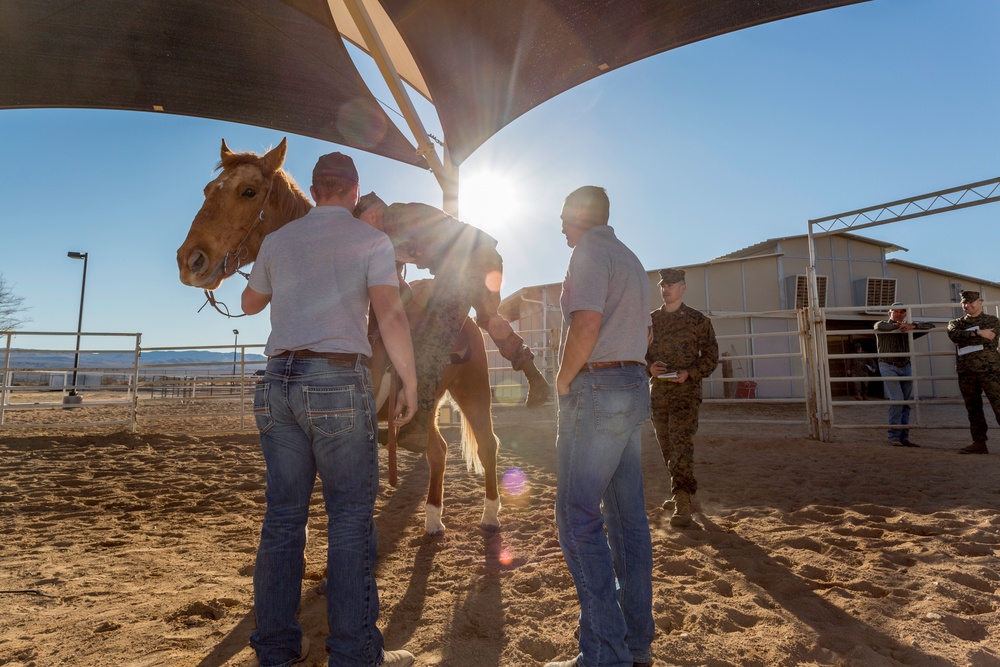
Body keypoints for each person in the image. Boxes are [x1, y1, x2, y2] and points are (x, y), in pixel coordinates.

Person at [241, 152, 418, 667]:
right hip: (336, 381)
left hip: (277, 382)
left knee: (282, 519)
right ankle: (354, 652)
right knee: (349, 520)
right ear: (353, 190)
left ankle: (274, 649)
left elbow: (252, 305)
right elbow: (389, 312)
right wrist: (407, 379)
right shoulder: (371, 241)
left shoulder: (277, 241)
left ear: (316, 189)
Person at [545, 186, 654, 667]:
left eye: (564, 216)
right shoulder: (629, 257)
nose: (560, 226)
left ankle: (605, 653)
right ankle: (634, 643)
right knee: (628, 519)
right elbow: (645, 333)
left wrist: (564, 380)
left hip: (598, 387)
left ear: (579, 216)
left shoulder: (589, 252)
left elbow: (585, 324)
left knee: (576, 515)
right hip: (631, 384)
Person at [354, 193, 552, 452]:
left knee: (432, 340)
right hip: (483, 257)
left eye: (362, 228)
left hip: (461, 264)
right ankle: (534, 375)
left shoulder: (393, 219)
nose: (365, 236)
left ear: (371, 215)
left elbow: (396, 282)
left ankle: (419, 425)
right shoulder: (399, 224)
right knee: (490, 319)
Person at [645, 267, 719, 528]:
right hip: (660, 394)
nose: (666, 289)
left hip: (685, 393)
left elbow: (711, 356)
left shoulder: (698, 321)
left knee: (681, 443)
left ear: (683, 288)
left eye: (671, 285)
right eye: (663, 285)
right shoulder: (651, 320)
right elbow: (640, 352)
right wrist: (649, 368)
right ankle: (681, 488)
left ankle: (682, 498)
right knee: (666, 444)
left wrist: (691, 373)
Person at [874, 302, 935, 447]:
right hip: (888, 365)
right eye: (895, 311)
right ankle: (893, 436)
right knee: (897, 400)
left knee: (905, 403)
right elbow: (879, 327)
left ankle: (903, 437)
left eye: (902, 312)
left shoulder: (908, 328)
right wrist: (900, 326)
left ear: (905, 314)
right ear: (889, 313)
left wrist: (912, 326)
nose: (899, 314)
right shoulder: (883, 324)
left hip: (905, 365)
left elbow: (931, 326)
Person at [947, 290, 1000, 455]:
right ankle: (979, 443)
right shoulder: (956, 323)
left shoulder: (992, 320)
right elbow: (954, 335)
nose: (967, 305)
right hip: (967, 371)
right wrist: (978, 332)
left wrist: (968, 336)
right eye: (964, 303)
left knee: (999, 405)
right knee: (973, 408)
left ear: (980, 302)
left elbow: (990, 336)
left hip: (990, 370)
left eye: (971, 302)